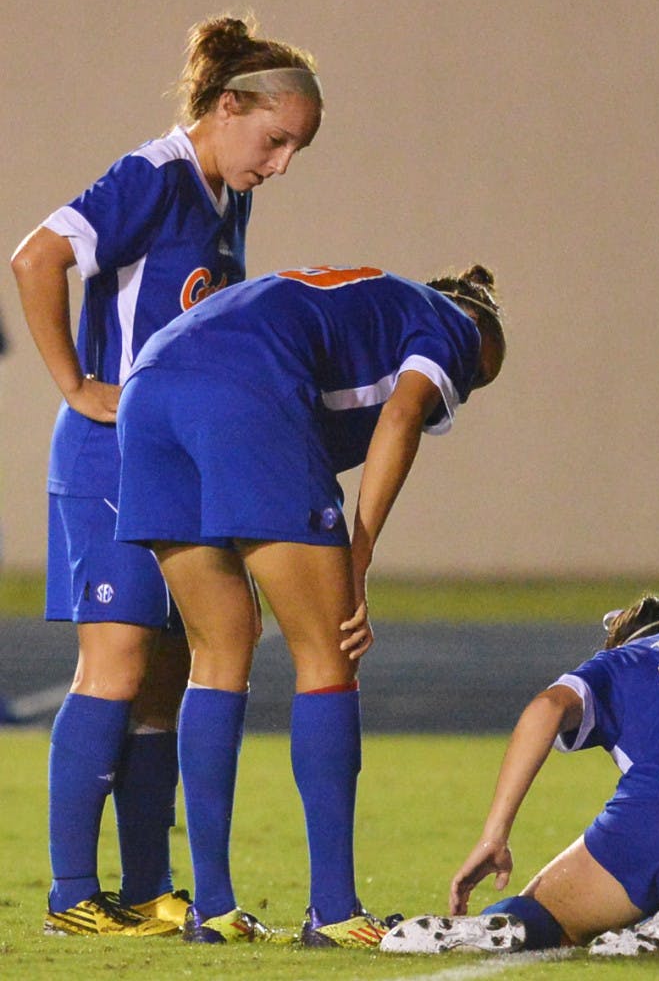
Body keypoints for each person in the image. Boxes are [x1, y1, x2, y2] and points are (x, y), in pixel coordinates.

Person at [10, 15, 323, 938]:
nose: (280, 165)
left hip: (178, 464)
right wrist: (76, 384)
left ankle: (147, 891)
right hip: (113, 458)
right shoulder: (153, 175)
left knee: (169, 669)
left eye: (296, 149)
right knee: (113, 663)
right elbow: (36, 256)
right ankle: (72, 896)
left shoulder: (228, 195)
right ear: (228, 107)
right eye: (274, 140)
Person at [113, 262, 507, 945]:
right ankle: (334, 910)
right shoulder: (448, 325)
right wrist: (360, 551)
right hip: (244, 387)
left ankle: (213, 910)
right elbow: (404, 412)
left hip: (149, 388)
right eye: (474, 379)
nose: (464, 391)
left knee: (217, 650)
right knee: (329, 650)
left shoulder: (364, 304)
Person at [381, 593, 659, 956]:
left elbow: (548, 707)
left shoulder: (625, 661)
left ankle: (507, 925)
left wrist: (494, 835)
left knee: (546, 918)